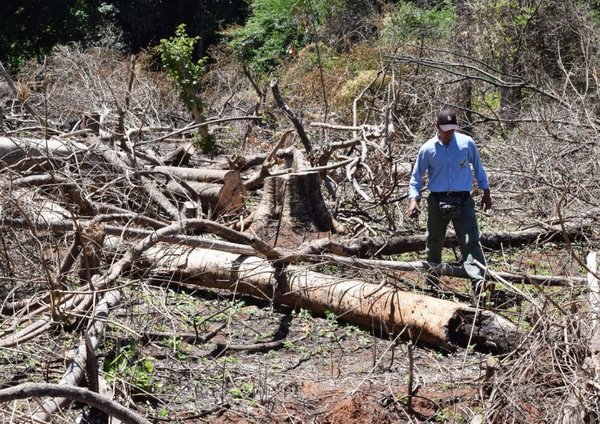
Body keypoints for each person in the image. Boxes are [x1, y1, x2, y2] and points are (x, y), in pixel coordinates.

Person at [406, 109, 492, 304]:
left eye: (452, 129)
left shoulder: (466, 143)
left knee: (470, 240)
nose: (449, 133)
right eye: (445, 130)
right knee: (434, 240)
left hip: (463, 199)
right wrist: (414, 200)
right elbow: (416, 177)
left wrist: (486, 191)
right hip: (437, 200)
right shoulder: (427, 149)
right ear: (437, 126)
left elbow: (479, 168)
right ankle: (432, 282)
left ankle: (479, 285)